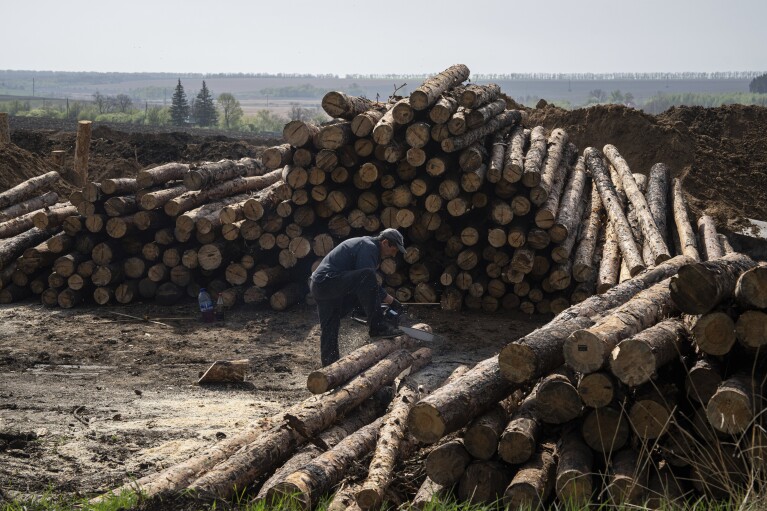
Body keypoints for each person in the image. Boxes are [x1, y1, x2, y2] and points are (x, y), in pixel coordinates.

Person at [309, 228, 407, 367]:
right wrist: (391, 301)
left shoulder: (367, 246)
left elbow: (362, 284)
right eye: (394, 249)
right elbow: (366, 280)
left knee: (330, 327)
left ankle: (330, 369)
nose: (394, 253)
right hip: (328, 282)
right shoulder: (369, 247)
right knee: (367, 276)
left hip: (321, 286)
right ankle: (377, 326)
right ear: (385, 242)